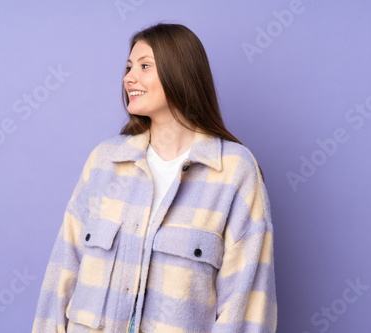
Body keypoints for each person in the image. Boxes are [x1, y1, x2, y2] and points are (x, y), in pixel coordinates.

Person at [32, 23, 277, 333]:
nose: (128, 78)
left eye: (145, 66)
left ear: (180, 73)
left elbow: (248, 302)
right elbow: (63, 270)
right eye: (128, 67)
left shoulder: (233, 170)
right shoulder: (105, 161)